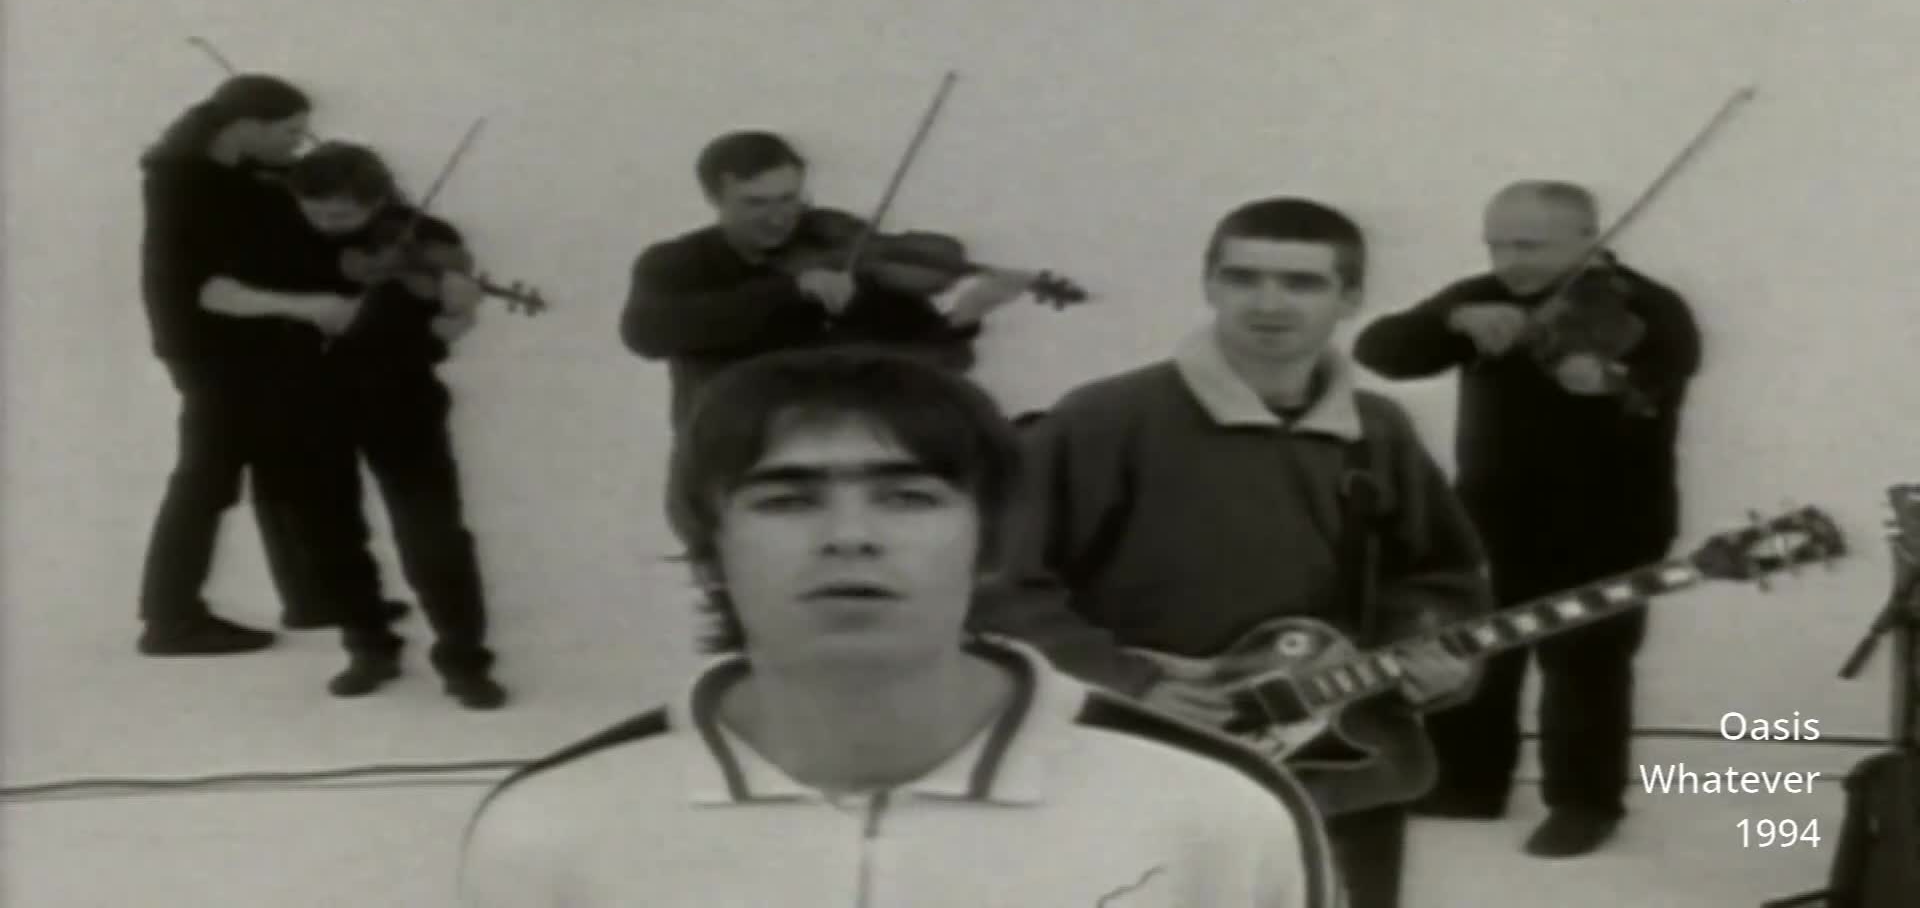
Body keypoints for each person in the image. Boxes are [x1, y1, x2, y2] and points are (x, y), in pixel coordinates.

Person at [458, 347, 1341, 906]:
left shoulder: (1214, 808)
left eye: (908, 497)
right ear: (707, 550)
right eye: (787, 499)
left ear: (990, 542)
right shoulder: (554, 827)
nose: (850, 535)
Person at [972, 197, 1492, 908]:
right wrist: (1129, 681)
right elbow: (999, 581)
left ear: (1350, 298)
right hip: (1144, 765)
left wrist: (1431, 655)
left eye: (1302, 282)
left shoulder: (1377, 429)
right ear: (1209, 285)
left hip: (1344, 771)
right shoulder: (1104, 419)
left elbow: (1438, 575)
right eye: (1244, 278)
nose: (1268, 304)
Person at [1351, 179, 1702, 858]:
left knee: (1587, 663)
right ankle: (1467, 785)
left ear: (1587, 238)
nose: (1508, 261)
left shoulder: (1650, 306)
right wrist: (1455, 323)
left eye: (1529, 245)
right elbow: (1380, 349)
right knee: (1478, 649)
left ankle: (1584, 803)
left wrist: (1608, 378)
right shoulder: (1482, 299)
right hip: (1491, 513)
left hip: (1611, 521)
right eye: (1497, 244)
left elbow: (1663, 372)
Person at [249, 141, 507, 709]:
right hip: (304, 400)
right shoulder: (278, 236)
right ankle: (367, 645)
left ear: (377, 200)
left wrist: (458, 309)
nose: (325, 223)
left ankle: (464, 659)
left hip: (400, 396)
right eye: (314, 210)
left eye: (341, 213)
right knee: (330, 532)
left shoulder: (426, 236)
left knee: (432, 533)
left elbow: (443, 331)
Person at [135, 74, 366, 655]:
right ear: (245, 126)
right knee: (206, 478)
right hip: (210, 349)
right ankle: (169, 619)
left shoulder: (241, 176)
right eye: (289, 132)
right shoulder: (185, 184)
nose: (299, 143)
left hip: (252, 346)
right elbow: (209, 291)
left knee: (283, 461)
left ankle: (311, 598)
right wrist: (313, 307)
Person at [618, 129, 1030, 428]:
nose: (779, 217)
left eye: (789, 198)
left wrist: (966, 315)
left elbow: (933, 360)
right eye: (755, 203)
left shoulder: (842, 254)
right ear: (714, 198)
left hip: (839, 445)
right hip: (731, 446)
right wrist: (789, 290)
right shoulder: (676, 262)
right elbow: (644, 334)